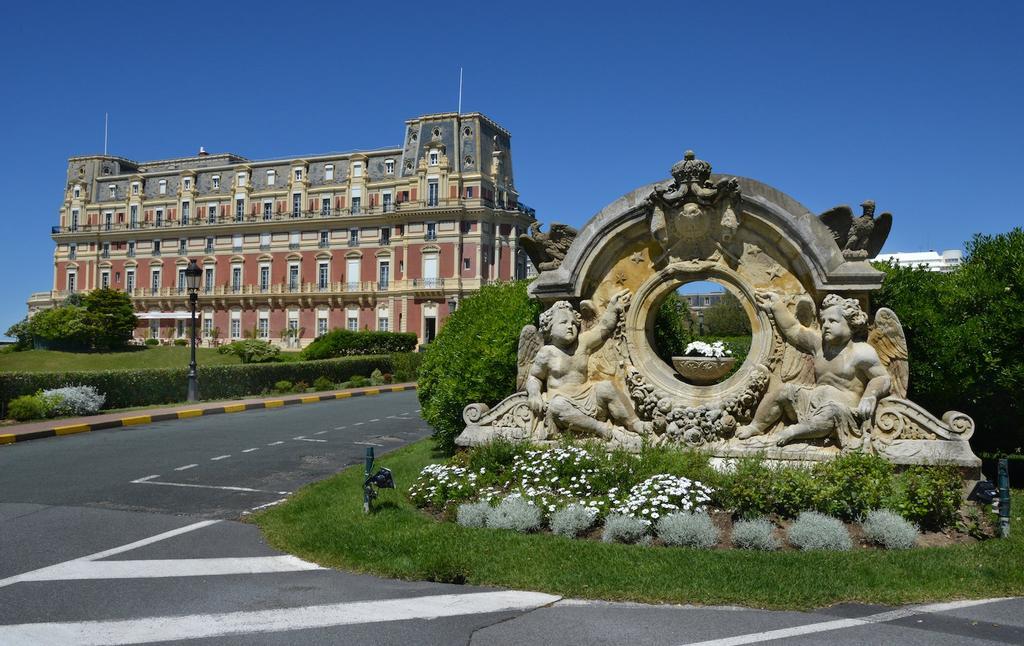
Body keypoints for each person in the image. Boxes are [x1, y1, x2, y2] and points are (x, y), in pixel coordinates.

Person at [735, 292, 890, 448]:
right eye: (823, 321)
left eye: (832, 321)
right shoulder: (819, 345)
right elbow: (793, 329)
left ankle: (792, 432)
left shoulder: (862, 351)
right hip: (811, 402)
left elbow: (882, 378)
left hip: (842, 411)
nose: (826, 325)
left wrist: (870, 396)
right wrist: (777, 306)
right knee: (783, 391)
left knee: (831, 412)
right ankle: (756, 426)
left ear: (851, 323)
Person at [526, 291, 656, 447]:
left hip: (587, 395)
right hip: (562, 400)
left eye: (574, 323)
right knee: (557, 406)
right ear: (549, 327)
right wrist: (534, 394)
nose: (570, 327)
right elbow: (534, 377)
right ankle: (604, 430)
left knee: (606, 387)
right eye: (564, 322)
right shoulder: (547, 352)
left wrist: (612, 307)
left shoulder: (583, 343)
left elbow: (604, 327)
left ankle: (635, 423)